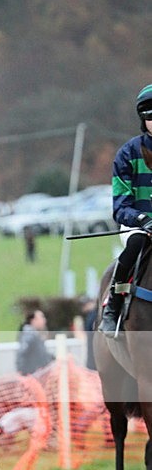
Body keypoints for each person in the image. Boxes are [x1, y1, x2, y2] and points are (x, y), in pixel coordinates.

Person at [99, 83, 152, 336]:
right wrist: (142, 220)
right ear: (144, 120)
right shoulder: (127, 154)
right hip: (136, 226)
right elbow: (120, 207)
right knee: (136, 245)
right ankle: (114, 305)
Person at [15, 309, 54, 376]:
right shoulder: (29, 336)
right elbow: (22, 354)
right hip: (31, 376)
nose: (44, 320)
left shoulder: (35, 335)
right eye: (42, 317)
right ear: (33, 320)